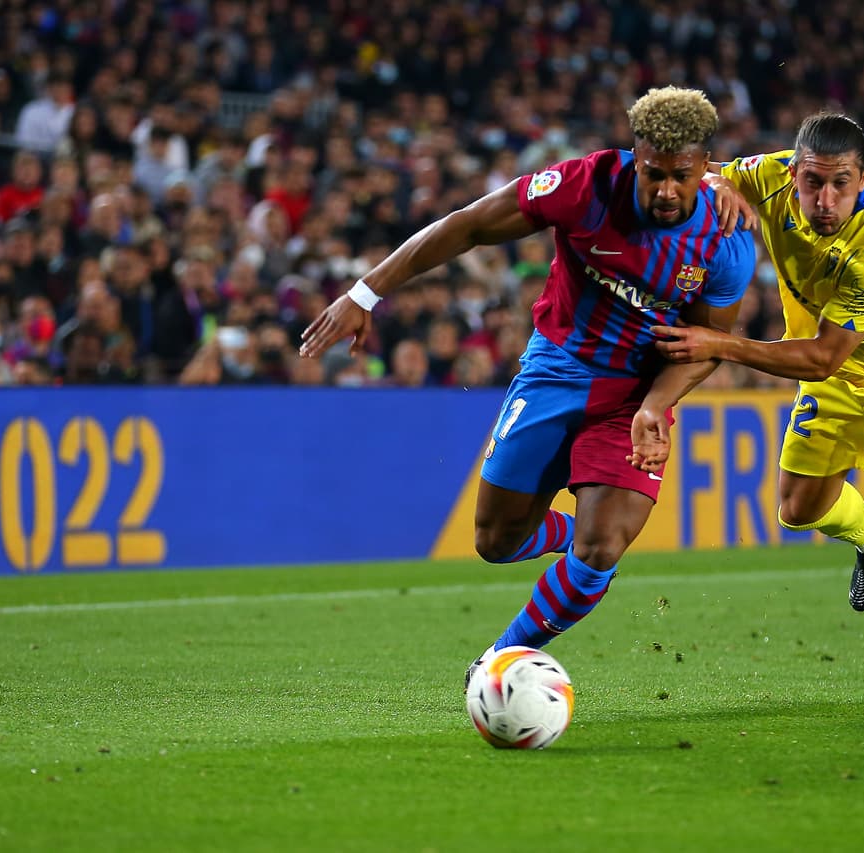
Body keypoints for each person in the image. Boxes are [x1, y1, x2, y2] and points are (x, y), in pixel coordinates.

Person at [299, 86, 756, 682]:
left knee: (602, 550)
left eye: (683, 176)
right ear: (634, 156)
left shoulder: (726, 244)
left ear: (705, 167)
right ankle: (567, 530)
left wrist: (656, 406)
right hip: (557, 370)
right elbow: (468, 227)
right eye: (653, 174)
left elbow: (705, 346)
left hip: (635, 396)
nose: (667, 190)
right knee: (494, 540)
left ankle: (499, 659)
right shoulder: (584, 187)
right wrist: (365, 293)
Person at [653, 112, 864, 708]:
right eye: (813, 182)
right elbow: (699, 170)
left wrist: (721, 344)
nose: (825, 200)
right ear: (794, 171)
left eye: (842, 185)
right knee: (797, 509)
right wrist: (717, 185)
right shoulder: (768, 175)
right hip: (843, 376)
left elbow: (822, 357)